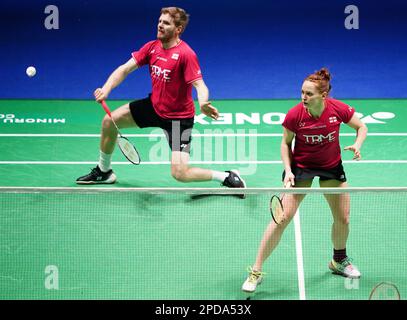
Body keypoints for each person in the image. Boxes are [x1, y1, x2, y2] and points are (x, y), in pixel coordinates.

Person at [76, 7, 246, 192]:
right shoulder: (152, 47)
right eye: (159, 21)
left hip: (178, 119)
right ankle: (104, 171)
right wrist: (106, 88)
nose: (160, 25)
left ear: (178, 29)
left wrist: (203, 103)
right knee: (109, 122)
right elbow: (125, 68)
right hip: (154, 107)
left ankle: (226, 176)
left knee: (180, 173)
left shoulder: (186, 54)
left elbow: (199, 84)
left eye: (166, 23)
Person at [242, 68, 368, 293]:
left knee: (343, 218)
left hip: (331, 167)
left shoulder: (337, 109)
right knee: (281, 218)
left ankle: (339, 260)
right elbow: (285, 144)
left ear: (323, 95)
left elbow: (361, 127)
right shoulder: (294, 115)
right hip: (301, 169)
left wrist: (358, 144)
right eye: (302, 92)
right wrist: (288, 171)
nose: (303, 97)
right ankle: (256, 271)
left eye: (309, 94)